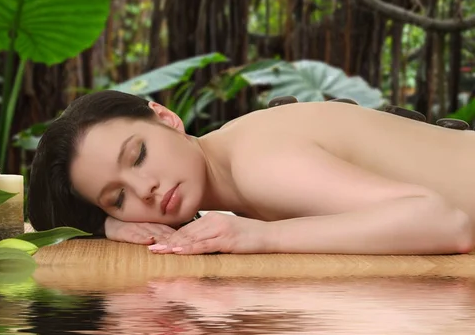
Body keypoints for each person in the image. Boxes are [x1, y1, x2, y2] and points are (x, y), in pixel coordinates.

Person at [28, 90, 475, 255]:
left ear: (165, 118)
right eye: (117, 197)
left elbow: (445, 223)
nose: (145, 190)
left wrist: (256, 237)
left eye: (139, 155)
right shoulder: (233, 158)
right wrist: (107, 224)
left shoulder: (258, 163)